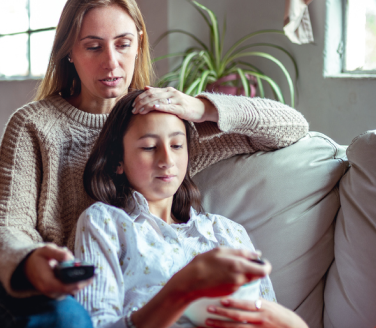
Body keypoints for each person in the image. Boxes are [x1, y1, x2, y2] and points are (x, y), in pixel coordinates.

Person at [0, 0, 309, 327]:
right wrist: (30, 261)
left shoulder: (161, 124)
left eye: (123, 44)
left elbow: (291, 127)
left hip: (92, 297)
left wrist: (202, 109)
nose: (112, 63)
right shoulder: (33, 124)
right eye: (93, 46)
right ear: (69, 53)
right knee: (68, 315)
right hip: (10, 283)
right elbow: (4, 226)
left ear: (139, 43)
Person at [74, 90, 308, 328]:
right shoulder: (105, 223)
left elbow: (294, 126)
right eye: (148, 147)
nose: (167, 160)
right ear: (117, 161)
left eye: (177, 145)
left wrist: (202, 108)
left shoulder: (227, 232)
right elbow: (97, 324)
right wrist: (181, 290)